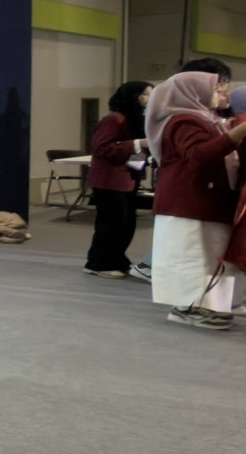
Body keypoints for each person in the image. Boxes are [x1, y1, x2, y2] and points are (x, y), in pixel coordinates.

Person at [146, 71, 246, 330]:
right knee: (192, 256)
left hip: (209, 199)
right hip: (187, 201)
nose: (223, 95)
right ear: (193, 93)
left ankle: (211, 304)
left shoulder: (207, 119)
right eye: (217, 90)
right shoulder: (182, 120)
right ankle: (187, 306)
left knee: (212, 255)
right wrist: (238, 133)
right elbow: (198, 155)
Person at [83, 81, 151, 279]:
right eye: (146, 94)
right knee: (111, 224)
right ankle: (98, 263)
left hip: (126, 179)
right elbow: (102, 148)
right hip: (110, 180)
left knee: (125, 224)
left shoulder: (134, 119)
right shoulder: (114, 119)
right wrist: (138, 143)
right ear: (134, 97)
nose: (149, 99)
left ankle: (114, 259)